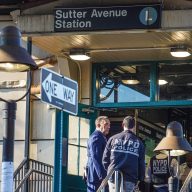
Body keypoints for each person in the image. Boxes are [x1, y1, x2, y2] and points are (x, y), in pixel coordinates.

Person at [102, 116, 145, 192]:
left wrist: (110, 170)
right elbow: (141, 164)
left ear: (122, 125)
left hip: (113, 176)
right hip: (130, 178)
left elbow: (105, 159)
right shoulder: (139, 143)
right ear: (134, 127)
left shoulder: (112, 139)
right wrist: (140, 179)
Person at [86, 116, 110, 192]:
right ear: (98, 125)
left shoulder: (101, 137)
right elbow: (96, 157)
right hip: (96, 176)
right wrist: (102, 176)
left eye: (109, 124)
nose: (109, 127)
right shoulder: (96, 137)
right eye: (106, 124)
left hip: (98, 175)